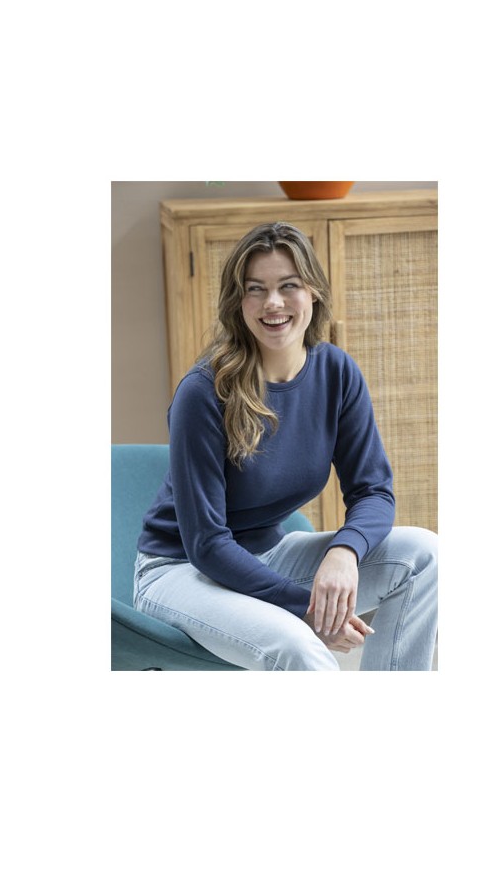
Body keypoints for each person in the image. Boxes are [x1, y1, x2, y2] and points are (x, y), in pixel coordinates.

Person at [133, 221, 438, 671]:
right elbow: (207, 543)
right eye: (255, 289)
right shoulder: (204, 392)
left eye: (288, 285)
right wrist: (304, 608)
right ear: (238, 302)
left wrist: (344, 552)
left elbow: (373, 490)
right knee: (298, 646)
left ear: (313, 292)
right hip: (179, 572)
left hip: (268, 556)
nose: (272, 303)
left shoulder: (336, 373)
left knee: (425, 555)